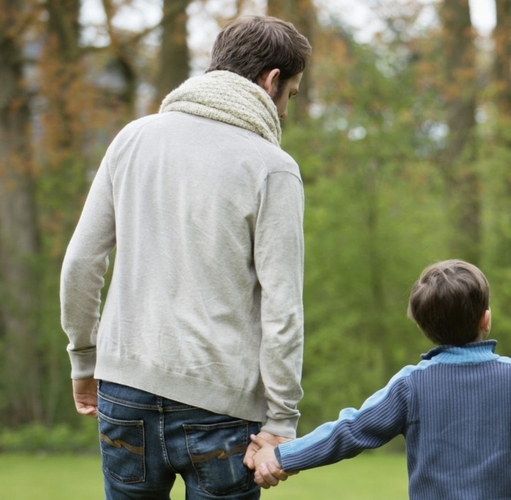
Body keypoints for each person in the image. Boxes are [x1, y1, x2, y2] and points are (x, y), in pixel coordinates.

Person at [60, 15, 311, 499]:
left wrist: (83, 360)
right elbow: (283, 308)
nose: (285, 111)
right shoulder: (272, 167)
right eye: (292, 96)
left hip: (123, 391)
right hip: (221, 406)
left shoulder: (133, 138)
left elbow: (81, 263)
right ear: (271, 81)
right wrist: (281, 419)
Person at [250, 259, 511, 498]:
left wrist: (282, 457)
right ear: (486, 319)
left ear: (421, 327)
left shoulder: (410, 386)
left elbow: (350, 431)